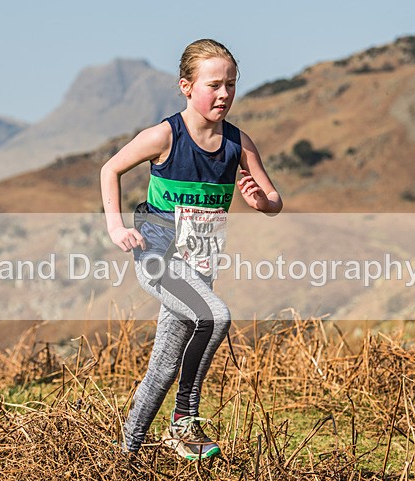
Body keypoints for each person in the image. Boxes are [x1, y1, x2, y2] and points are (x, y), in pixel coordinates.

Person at [100, 39, 283, 459]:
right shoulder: (165, 135)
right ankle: (184, 421)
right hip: (158, 258)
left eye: (231, 84)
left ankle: (124, 456)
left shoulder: (238, 143)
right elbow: (110, 169)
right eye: (213, 85)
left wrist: (262, 202)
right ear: (186, 86)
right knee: (215, 316)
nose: (224, 94)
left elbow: (274, 200)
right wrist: (115, 226)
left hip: (199, 267)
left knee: (164, 368)